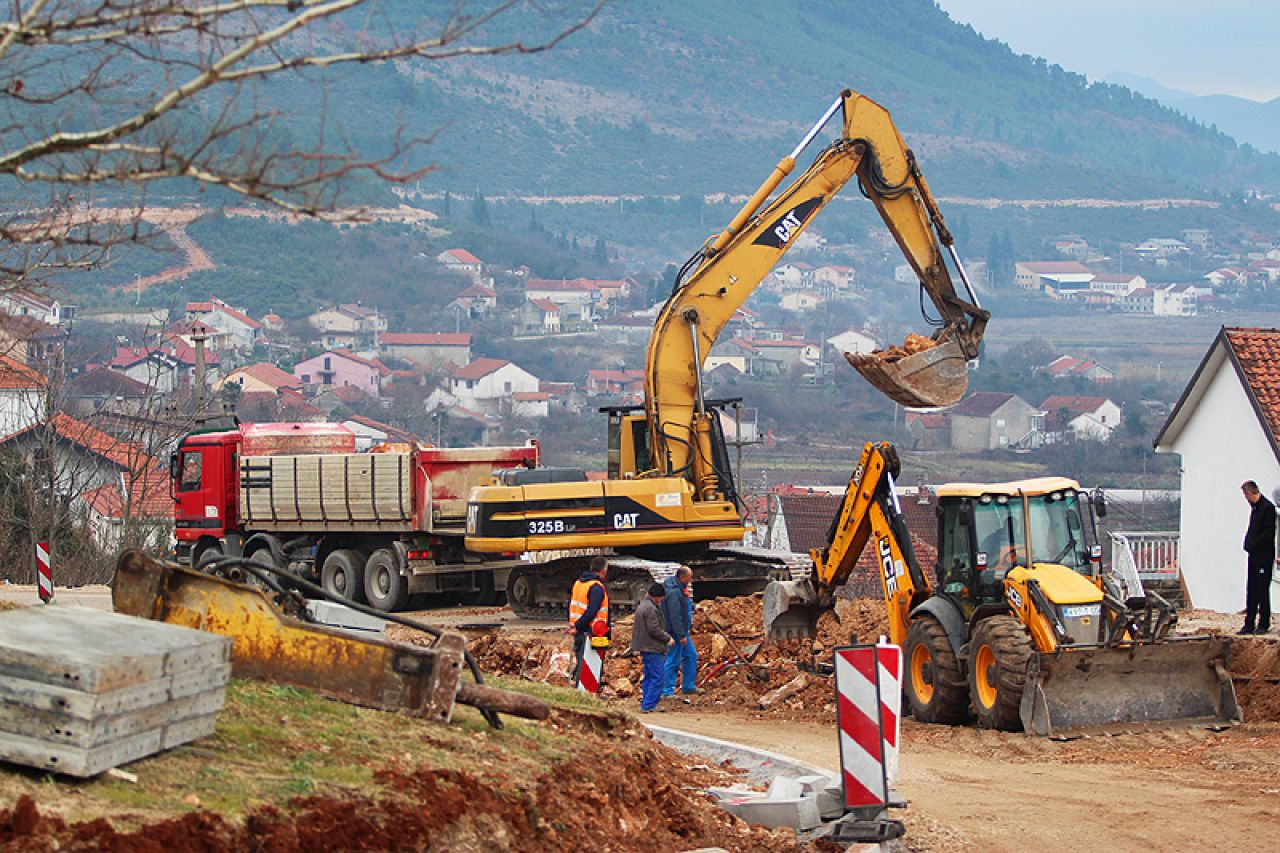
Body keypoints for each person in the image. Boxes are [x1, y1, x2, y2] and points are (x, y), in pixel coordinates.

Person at [630, 582, 673, 713]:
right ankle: (649, 704)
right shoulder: (651, 608)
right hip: (652, 647)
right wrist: (667, 638)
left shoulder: (643, 605)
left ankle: (647, 703)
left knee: (649, 676)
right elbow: (653, 629)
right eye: (661, 598)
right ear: (657, 596)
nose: (661, 600)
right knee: (657, 677)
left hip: (645, 646)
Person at [568, 556, 610, 685]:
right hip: (593, 632)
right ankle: (588, 689)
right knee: (591, 665)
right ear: (603, 570)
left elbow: (572, 605)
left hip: (580, 630)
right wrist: (579, 626)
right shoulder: (596, 587)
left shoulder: (579, 583)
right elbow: (592, 611)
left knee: (583, 660)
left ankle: (584, 687)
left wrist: (574, 625)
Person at [1240, 481, 1275, 635]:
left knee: (1262, 590)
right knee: (1252, 589)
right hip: (1253, 555)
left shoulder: (1267, 508)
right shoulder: (1255, 509)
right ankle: (1249, 623)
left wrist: (1253, 543)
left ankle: (1264, 623)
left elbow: (1268, 534)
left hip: (1264, 556)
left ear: (1249, 493)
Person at [660, 566, 697, 700]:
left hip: (681, 630)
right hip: (675, 632)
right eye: (689, 577)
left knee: (691, 655)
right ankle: (667, 690)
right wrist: (681, 634)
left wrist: (693, 608)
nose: (690, 580)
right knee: (673, 659)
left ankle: (688, 686)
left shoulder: (679, 589)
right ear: (683, 578)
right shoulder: (674, 592)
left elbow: (682, 607)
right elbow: (675, 615)